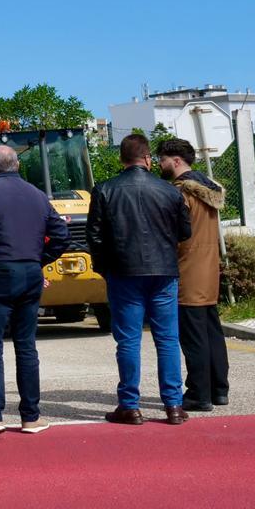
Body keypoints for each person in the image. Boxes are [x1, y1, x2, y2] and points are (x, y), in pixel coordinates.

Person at [0, 145, 70, 438]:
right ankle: (31, 416)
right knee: (26, 343)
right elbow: (61, 235)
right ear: (17, 165)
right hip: (31, 273)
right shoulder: (37, 194)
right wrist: (38, 259)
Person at [89, 133, 193, 426]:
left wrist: (104, 268)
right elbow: (185, 232)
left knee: (128, 340)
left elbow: (94, 237)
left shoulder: (105, 190)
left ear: (122, 159)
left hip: (123, 272)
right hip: (163, 271)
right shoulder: (170, 191)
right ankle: (173, 404)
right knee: (168, 339)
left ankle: (130, 405)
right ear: (148, 158)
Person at [157, 137, 231, 412]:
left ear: (176, 160)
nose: (159, 164)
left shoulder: (181, 192)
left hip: (187, 267)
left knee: (193, 335)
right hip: (209, 267)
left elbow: (174, 233)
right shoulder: (207, 189)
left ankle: (199, 392)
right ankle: (219, 389)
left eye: (163, 159)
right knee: (211, 330)